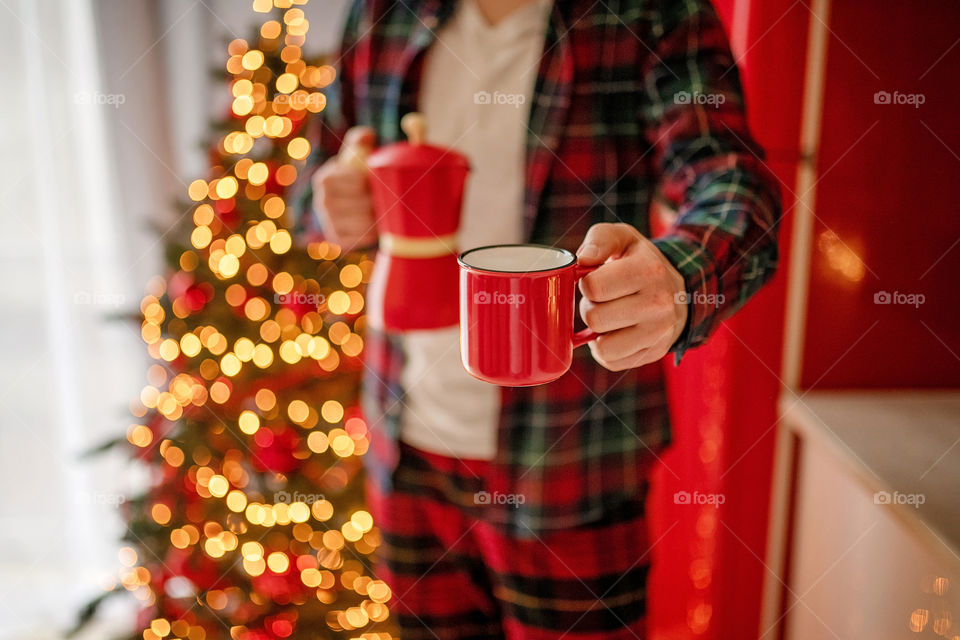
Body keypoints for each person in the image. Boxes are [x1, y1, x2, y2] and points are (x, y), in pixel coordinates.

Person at [296, 0, 780, 637]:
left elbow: (732, 181)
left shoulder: (652, 13)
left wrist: (682, 278)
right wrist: (332, 200)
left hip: (573, 463)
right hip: (405, 446)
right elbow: (311, 190)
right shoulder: (384, 13)